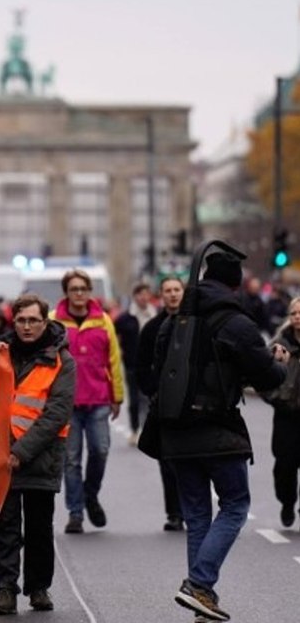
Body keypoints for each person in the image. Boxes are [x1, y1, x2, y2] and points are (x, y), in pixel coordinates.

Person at [153, 251, 288, 622]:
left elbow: (157, 369)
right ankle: (198, 584)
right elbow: (268, 378)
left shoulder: (175, 320)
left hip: (175, 432)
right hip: (217, 431)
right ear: (234, 284)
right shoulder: (235, 322)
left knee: (197, 515)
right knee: (234, 506)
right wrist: (276, 360)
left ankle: (202, 597)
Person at [0, 294, 75, 615]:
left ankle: (38, 587)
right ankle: (5, 589)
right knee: (5, 526)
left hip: (40, 456)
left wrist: (21, 451)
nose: (27, 327)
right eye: (21, 320)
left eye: (33, 320)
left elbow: (56, 413)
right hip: (3, 456)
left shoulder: (62, 360)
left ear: (46, 321)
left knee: (38, 527)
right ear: (14, 322)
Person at [50, 268, 124, 534]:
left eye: (83, 289)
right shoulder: (54, 323)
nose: (79, 294)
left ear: (89, 291)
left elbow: (113, 360)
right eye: (74, 289)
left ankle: (90, 494)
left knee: (100, 451)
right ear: (66, 292)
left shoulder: (103, 321)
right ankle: (76, 512)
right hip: (67, 403)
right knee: (71, 460)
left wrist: (117, 395)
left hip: (98, 400)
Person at [136, 275, 187, 532]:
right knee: (167, 459)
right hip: (164, 403)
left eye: (177, 289)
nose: (173, 294)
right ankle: (174, 512)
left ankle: (191, 508)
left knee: (190, 459)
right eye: (168, 290)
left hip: (191, 403)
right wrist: (153, 391)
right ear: (161, 295)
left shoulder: (196, 323)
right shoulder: (152, 328)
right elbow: (142, 365)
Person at [259, 296, 300, 529]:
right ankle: (287, 501)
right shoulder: (280, 343)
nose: (297, 317)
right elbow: (262, 374)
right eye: (293, 313)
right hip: (286, 414)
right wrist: (275, 398)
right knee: (285, 464)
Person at [115, 282, 158, 446]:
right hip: (132, 364)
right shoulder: (126, 318)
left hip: (153, 364)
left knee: (149, 398)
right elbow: (114, 336)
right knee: (134, 399)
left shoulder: (156, 315)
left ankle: (148, 429)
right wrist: (120, 350)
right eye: (140, 294)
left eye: (147, 294)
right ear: (135, 296)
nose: (144, 297)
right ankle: (134, 429)